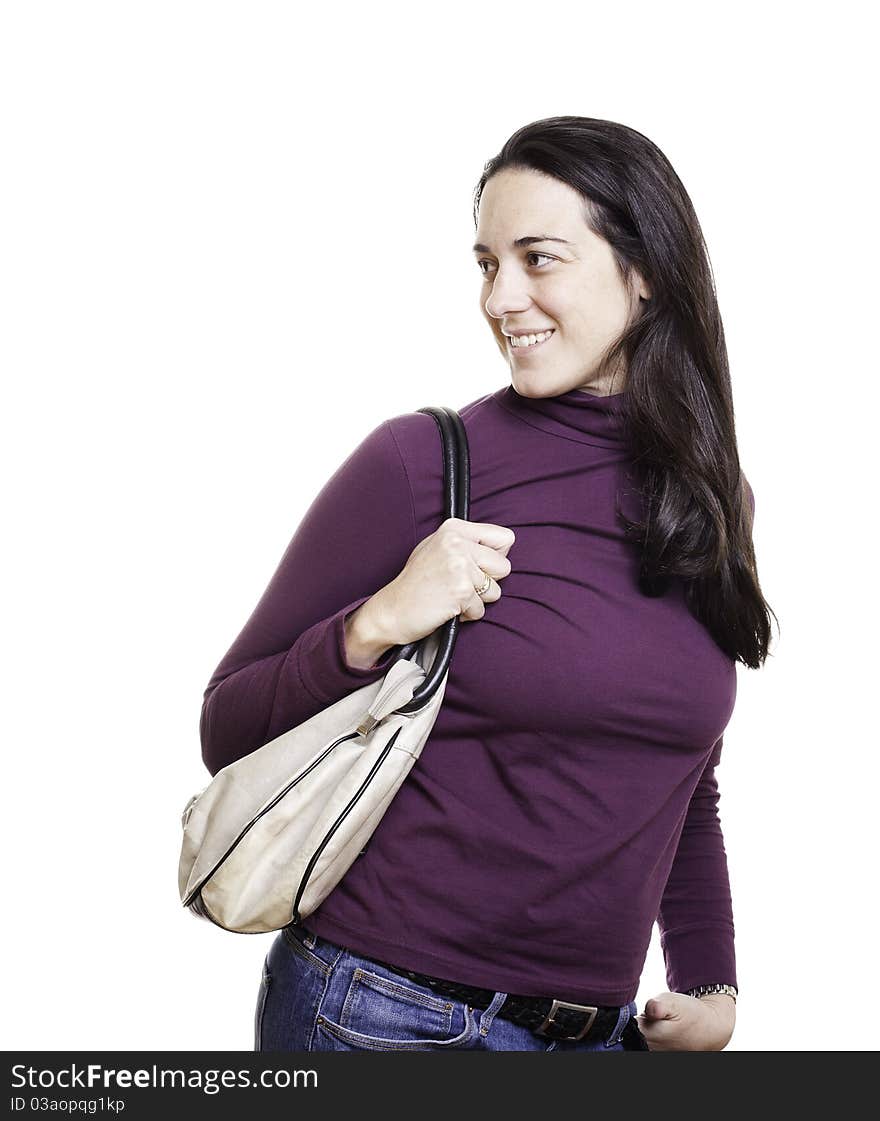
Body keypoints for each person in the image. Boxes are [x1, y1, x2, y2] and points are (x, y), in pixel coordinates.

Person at [199, 116, 773, 1052]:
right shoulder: (420, 464)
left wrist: (712, 979)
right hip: (381, 1015)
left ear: (647, 272)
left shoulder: (714, 499)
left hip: (606, 1039)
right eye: (485, 264)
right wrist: (375, 624)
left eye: (537, 259)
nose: (502, 298)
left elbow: (682, 772)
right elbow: (225, 728)